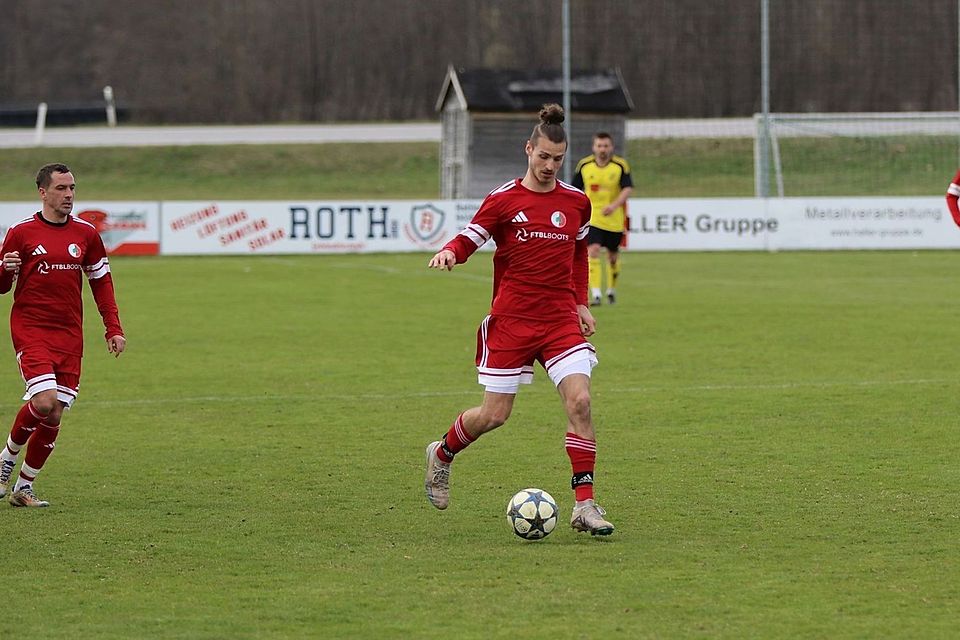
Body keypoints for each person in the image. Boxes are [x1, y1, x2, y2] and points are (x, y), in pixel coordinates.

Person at [424, 104, 615, 536]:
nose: (549, 166)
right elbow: (471, 236)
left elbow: (578, 254)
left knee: (581, 401)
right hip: (512, 320)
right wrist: (451, 251)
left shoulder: (576, 202)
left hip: (559, 320)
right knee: (494, 415)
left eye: (557, 159)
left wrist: (580, 302)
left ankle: (585, 505)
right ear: (528, 150)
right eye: (543, 156)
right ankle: (443, 453)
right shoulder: (504, 200)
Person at [0, 163, 125, 507]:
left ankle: (24, 488)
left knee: (54, 412)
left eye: (72, 188)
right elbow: (1, 285)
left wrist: (113, 327)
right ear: (43, 192)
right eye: (61, 188)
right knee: (43, 401)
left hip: (69, 334)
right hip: (31, 328)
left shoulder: (86, 234)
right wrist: (5, 269)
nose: (69, 195)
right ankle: (6, 459)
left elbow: (102, 282)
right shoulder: (21, 232)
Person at [572, 132, 633, 306]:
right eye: (599, 146)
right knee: (593, 250)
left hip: (614, 219)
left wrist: (614, 206)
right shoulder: (584, 165)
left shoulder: (620, 166)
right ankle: (596, 293)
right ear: (594, 147)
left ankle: (611, 290)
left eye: (606, 146)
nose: (602, 149)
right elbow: (575, 189)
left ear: (611, 147)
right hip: (592, 218)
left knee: (612, 257)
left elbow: (627, 188)